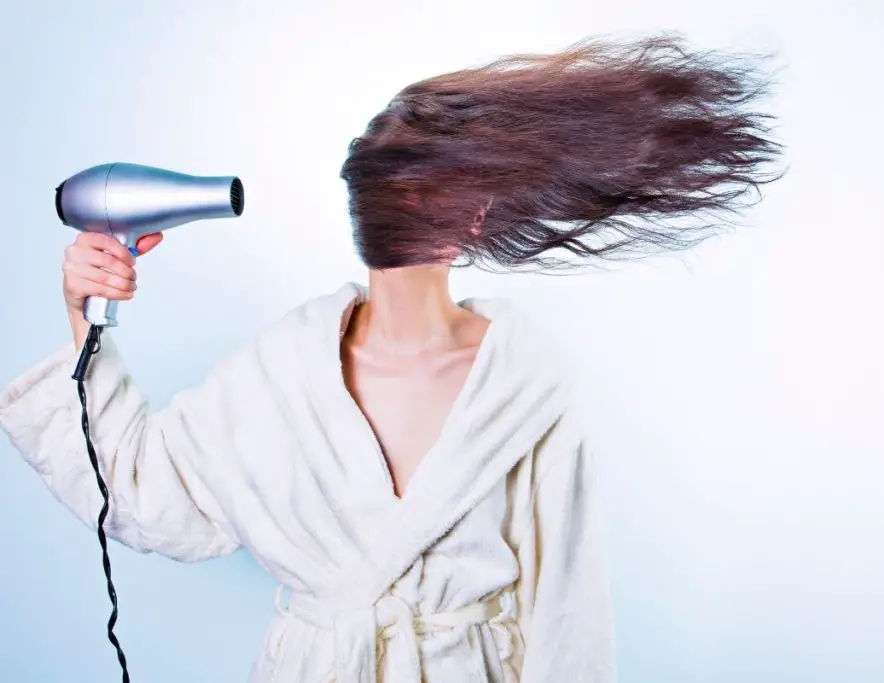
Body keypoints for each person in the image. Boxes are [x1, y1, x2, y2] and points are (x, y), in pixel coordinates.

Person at [0, 34, 781, 683]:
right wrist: (85, 322)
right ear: (475, 215)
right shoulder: (282, 373)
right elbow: (144, 495)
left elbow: (569, 620)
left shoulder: (527, 386)